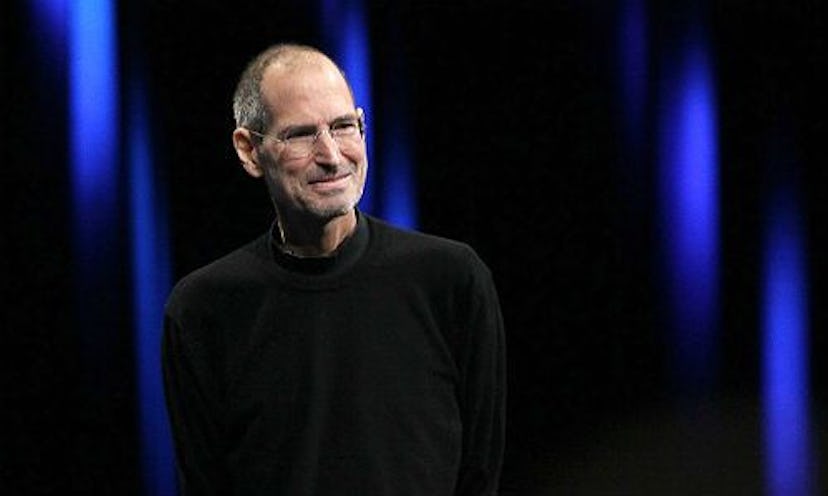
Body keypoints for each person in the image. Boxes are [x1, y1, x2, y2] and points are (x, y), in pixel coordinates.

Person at [161, 42, 507, 495]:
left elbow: (481, 475)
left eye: (344, 127)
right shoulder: (204, 309)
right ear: (249, 150)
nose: (331, 154)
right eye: (302, 134)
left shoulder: (451, 279)